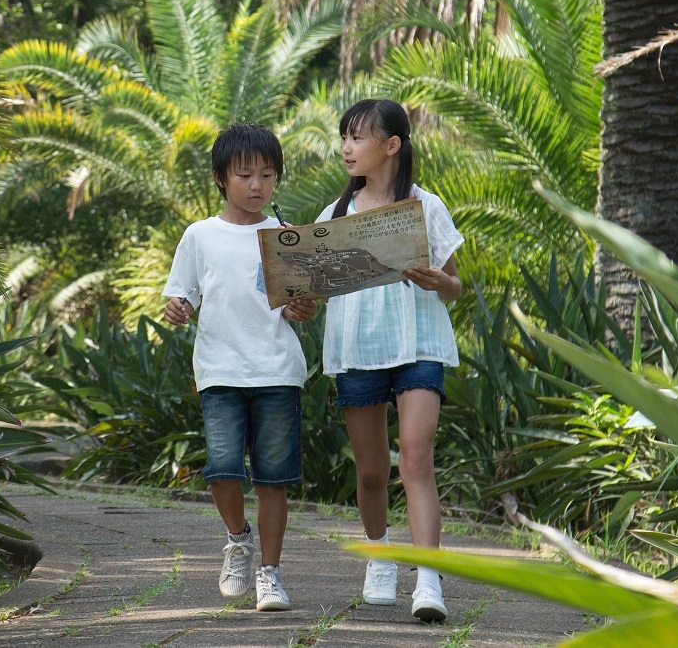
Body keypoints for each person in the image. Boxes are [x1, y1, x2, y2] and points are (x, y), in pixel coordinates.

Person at [314, 98, 463, 623]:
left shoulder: (426, 206)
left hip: (418, 344)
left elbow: (455, 286)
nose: (346, 147)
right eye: (344, 137)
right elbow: (313, 291)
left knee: (416, 459)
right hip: (357, 349)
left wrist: (438, 280)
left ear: (392, 145)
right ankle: (379, 558)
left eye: (357, 137)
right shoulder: (334, 217)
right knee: (373, 471)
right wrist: (298, 299)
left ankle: (428, 579)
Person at [162, 122, 317, 612]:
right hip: (220, 371)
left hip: (277, 371)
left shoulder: (285, 237)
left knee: (273, 479)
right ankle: (238, 538)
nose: (257, 185)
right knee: (222, 469)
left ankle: (270, 573)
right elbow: (181, 295)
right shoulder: (200, 235)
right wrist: (177, 309)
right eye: (245, 175)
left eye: (267, 175)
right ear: (220, 178)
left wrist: (302, 309)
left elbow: (299, 307)